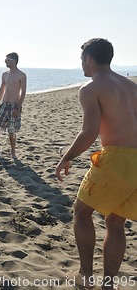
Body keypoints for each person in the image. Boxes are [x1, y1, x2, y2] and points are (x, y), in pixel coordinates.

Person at [55, 38, 137, 290]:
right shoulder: (131, 86)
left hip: (116, 157)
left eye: (82, 59)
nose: (81, 64)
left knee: (81, 212)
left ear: (90, 59)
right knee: (115, 221)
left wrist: (66, 157)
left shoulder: (91, 88)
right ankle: (108, 284)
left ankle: (86, 276)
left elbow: (89, 132)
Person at [0, 53, 27, 158]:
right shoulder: (5, 74)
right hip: (4, 105)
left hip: (14, 106)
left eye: (7, 59)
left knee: (11, 131)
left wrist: (18, 108)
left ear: (13, 61)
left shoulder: (21, 75)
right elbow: (1, 90)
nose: (5, 61)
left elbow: (23, 93)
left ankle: (13, 151)